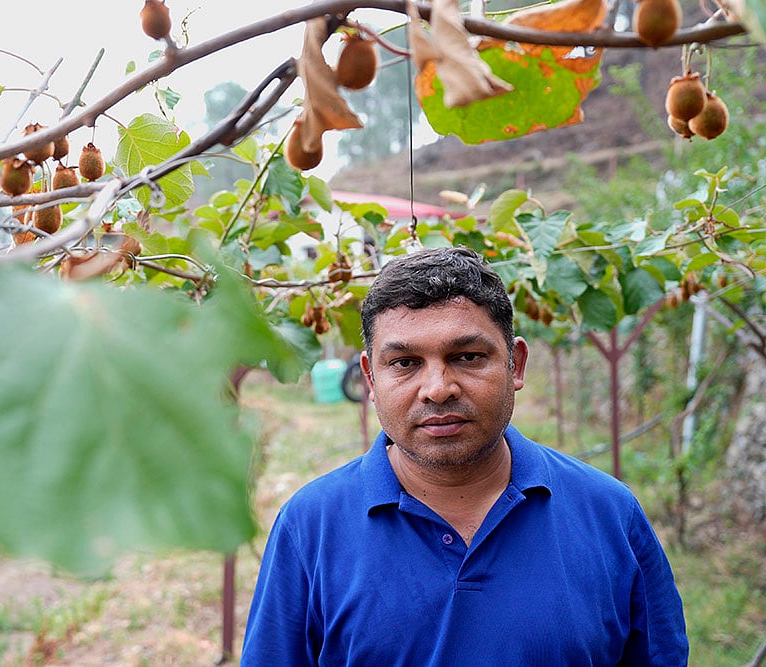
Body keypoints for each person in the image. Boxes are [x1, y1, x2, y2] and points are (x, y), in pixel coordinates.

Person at [242, 246, 688, 666]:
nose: (438, 388)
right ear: (369, 378)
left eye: (468, 356)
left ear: (516, 364)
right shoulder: (309, 527)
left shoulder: (609, 514)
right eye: (404, 363)